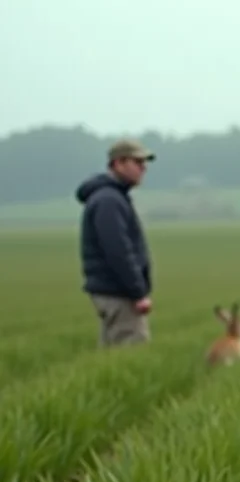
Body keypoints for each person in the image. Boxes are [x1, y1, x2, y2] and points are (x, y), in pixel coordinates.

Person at [75, 138, 155, 347]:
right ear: (118, 163)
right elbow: (118, 251)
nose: (143, 168)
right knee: (133, 353)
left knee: (112, 357)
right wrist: (138, 292)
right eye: (137, 162)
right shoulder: (109, 201)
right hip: (118, 294)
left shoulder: (112, 197)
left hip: (113, 291)